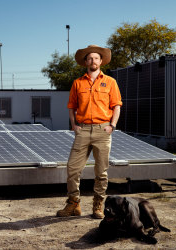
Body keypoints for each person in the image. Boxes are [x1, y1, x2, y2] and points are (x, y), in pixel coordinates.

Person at [57, 45, 122, 219]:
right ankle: (73, 204)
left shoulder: (110, 82)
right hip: (83, 130)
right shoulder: (78, 83)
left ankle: (98, 205)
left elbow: (116, 106)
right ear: (85, 62)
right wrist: (74, 125)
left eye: (96, 58)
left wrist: (112, 126)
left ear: (101, 61)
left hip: (103, 130)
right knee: (72, 169)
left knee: (101, 172)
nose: (92, 61)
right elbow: (71, 106)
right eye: (89, 58)